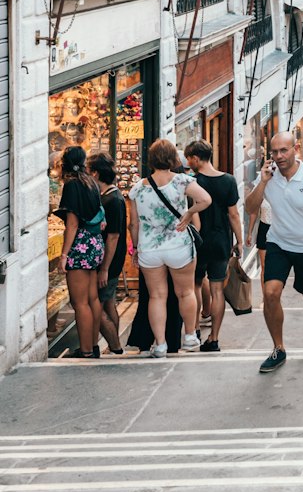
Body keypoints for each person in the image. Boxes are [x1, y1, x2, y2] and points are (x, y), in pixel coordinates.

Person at [245, 132, 303, 372]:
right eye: (274, 152)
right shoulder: (268, 177)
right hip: (278, 243)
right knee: (270, 293)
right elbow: (250, 207)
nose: (279, 156)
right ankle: (278, 348)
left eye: (284, 150)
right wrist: (262, 182)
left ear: (296, 148)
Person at [128, 139, 210, 357]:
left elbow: (134, 223)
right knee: (185, 292)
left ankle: (161, 344)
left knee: (156, 296)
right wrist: (189, 213)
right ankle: (191, 336)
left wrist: (135, 247)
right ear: (173, 157)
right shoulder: (182, 181)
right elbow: (205, 200)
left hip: (150, 249)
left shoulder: (137, 188)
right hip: (179, 245)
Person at [184, 140, 242, 352]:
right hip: (221, 241)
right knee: (217, 290)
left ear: (196, 159)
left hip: (198, 242)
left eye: (188, 158)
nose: (187, 161)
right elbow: (234, 214)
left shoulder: (191, 183)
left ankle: (195, 330)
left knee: (196, 286)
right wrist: (240, 241)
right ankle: (214, 339)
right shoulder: (228, 180)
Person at [54, 146, 106, 357]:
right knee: (92, 299)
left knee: (80, 302)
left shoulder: (71, 185)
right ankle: (93, 346)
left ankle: (84, 350)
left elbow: (72, 224)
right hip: (95, 244)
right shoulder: (91, 182)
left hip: (80, 247)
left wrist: (64, 255)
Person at [90, 153, 126, 355]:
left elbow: (112, 237)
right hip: (112, 260)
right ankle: (114, 345)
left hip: (108, 261)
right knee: (109, 303)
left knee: (98, 305)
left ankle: (115, 347)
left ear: (95, 173)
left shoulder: (112, 200)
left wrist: (104, 269)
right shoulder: (111, 196)